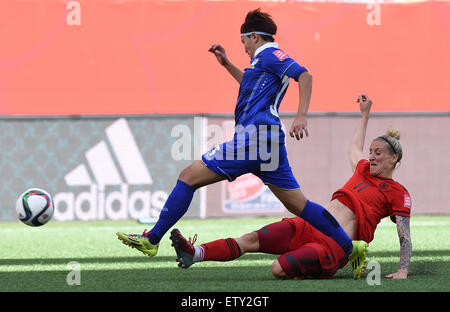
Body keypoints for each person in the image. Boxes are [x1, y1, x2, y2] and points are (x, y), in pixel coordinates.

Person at [116, 9, 367, 276]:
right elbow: (250, 85)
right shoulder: (262, 62)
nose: (244, 48)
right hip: (266, 142)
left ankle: (152, 239)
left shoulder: (271, 54)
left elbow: (305, 76)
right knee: (298, 204)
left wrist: (301, 115)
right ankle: (351, 248)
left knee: (188, 177)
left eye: (244, 42)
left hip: (255, 137)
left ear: (255, 36)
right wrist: (226, 64)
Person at [170, 94, 413, 280]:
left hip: (333, 244)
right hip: (308, 225)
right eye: (371, 152)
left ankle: (328, 266)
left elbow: (404, 235)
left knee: (278, 269)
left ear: (394, 159)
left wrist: (403, 269)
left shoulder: (397, 193)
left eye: (378, 153)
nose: (371, 157)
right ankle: (196, 254)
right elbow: (354, 147)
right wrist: (364, 115)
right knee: (251, 239)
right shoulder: (362, 168)